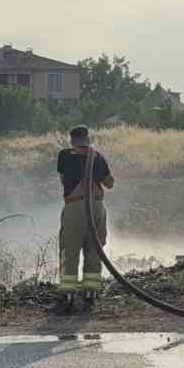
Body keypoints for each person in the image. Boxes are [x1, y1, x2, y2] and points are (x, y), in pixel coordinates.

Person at [55, 125, 115, 307]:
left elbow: (63, 179)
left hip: (75, 206)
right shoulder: (97, 157)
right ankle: (91, 291)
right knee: (94, 250)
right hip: (97, 207)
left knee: (70, 250)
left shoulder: (64, 155)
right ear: (87, 139)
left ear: (72, 140)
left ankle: (68, 293)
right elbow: (110, 183)